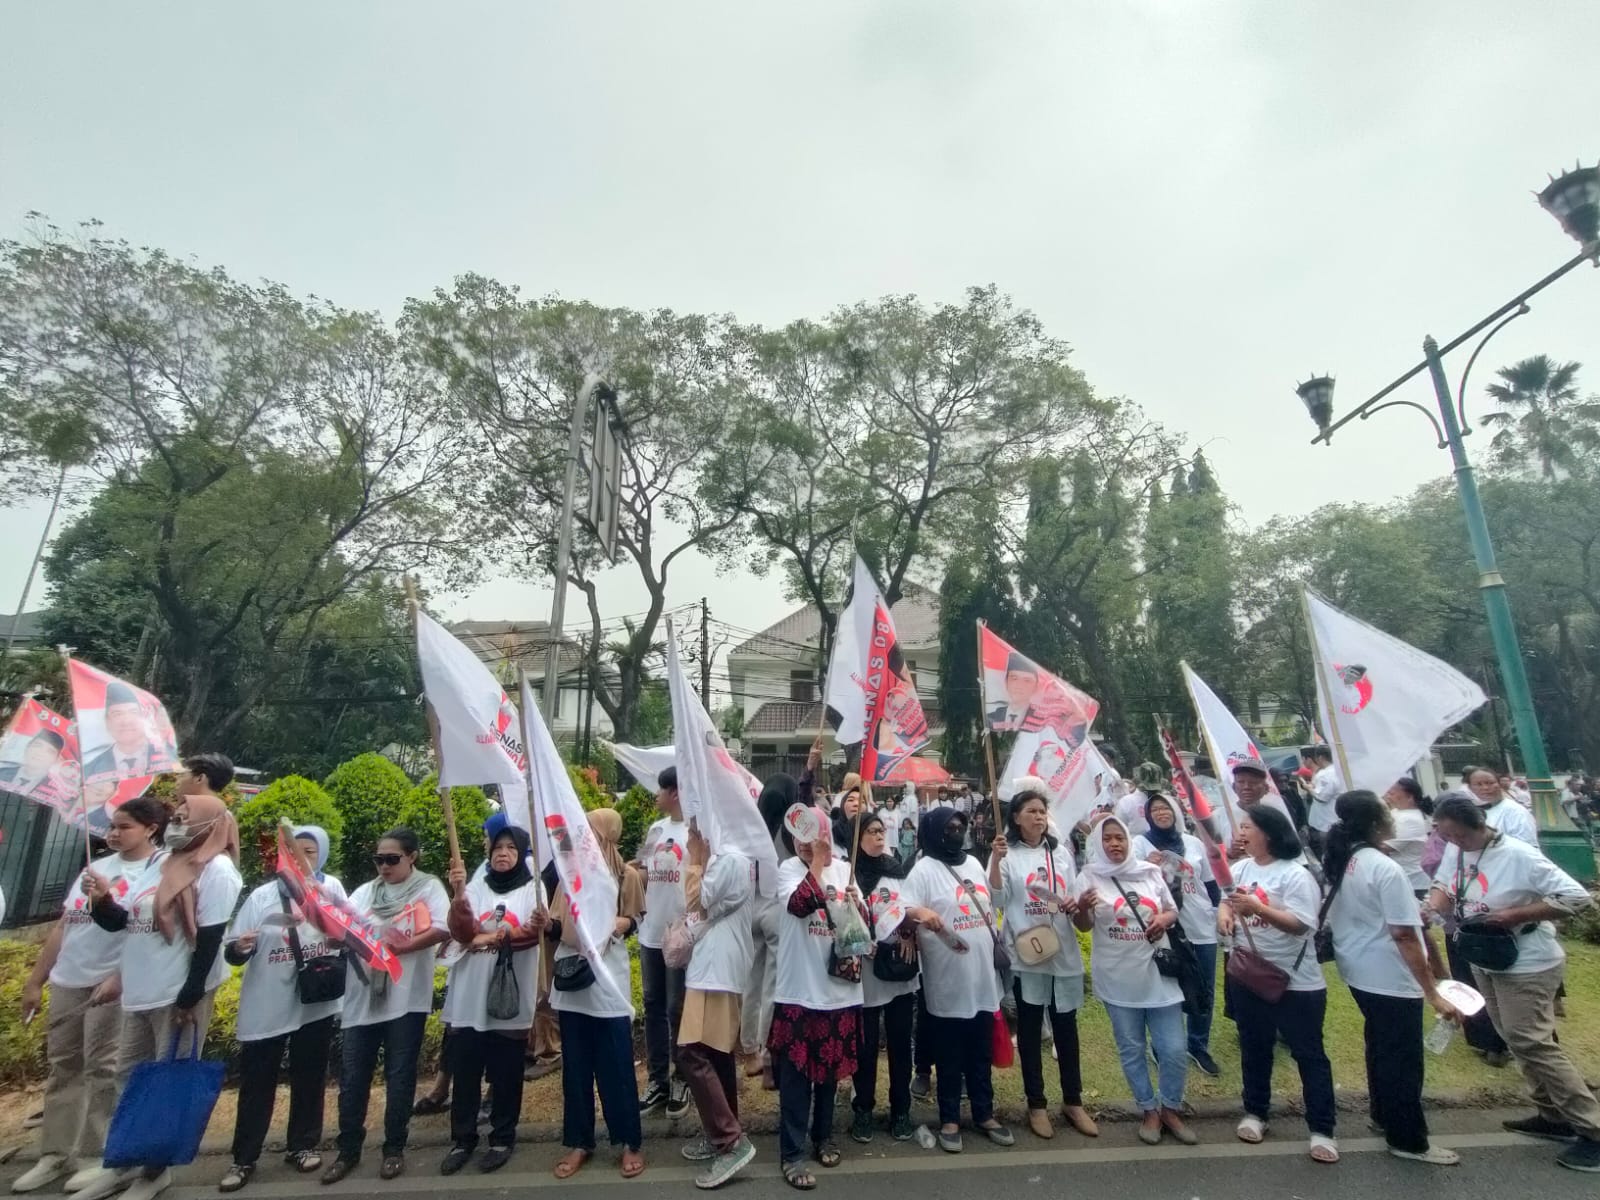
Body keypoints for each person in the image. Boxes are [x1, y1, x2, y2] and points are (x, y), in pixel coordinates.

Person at [83, 757, 243, 1200]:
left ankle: (156, 1172)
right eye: (173, 818)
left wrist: (190, 997)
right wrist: (101, 902)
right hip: (139, 990)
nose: (174, 824)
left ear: (208, 823)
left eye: (183, 818)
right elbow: (125, 924)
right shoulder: (163, 864)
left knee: (166, 1083)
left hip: (176, 994)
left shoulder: (217, 872)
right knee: (129, 1079)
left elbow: (209, 940)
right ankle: (122, 1162)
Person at [1427, 796, 1600, 1171]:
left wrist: (1515, 915)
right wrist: (1432, 906)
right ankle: (1551, 1115)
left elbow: (1577, 896)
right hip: (1485, 956)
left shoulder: (1519, 855)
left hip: (1527, 959)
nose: (1440, 836)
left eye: (1443, 829)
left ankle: (1592, 1127)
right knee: (1512, 1036)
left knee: (1532, 1041)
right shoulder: (1458, 851)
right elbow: (1444, 883)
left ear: (1459, 826)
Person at [13, 798, 167, 1199]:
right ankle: (56, 1153)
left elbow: (141, 934)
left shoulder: (155, 872)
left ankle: (104, 1157)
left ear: (151, 828)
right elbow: (65, 926)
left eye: (125, 827)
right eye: (112, 827)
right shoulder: (94, 867)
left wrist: (118, 975)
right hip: (69, 979)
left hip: (112, 984)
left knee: (104, 1068)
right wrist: (36, 980)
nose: (114, 833)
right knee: (64, 1066)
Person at [1323, 790, 1461, 1165]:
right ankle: (1409, 1139)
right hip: (1389, 975)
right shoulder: (1384, 868)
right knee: (1402, 1058)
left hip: (1360, 970)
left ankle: (1383, 1114)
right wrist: (1432, 990)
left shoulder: (1345, 859)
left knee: (1381, 1048)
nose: (1392, 815)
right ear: (1375, 822)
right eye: (1386, 811)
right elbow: (1404, 933)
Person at [219, 826, 348, 1192]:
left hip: (314, 1002)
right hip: (268, 1003)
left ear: (321, 854)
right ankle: (244, 1158)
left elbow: (347, 933)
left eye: (309, 851)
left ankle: (303, 1144)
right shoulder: (263, 896)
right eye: (293, 852)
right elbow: (233, 949)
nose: (301, 859)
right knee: (258, 1081)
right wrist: (242, 947)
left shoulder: (332, 888)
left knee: (310, 1075)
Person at [322, 828, 449, 1185]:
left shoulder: (428, 889)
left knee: (399, 1075)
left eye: (392, 859)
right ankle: (348, 1149)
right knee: (353, 1077)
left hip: (405, 998)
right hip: (362, 999)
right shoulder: (365, 892)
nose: (384, 866)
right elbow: (343, 925)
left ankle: (394, 1148)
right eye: (379, 859)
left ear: (412, 857)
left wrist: (397, 949)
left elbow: (442, 928)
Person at [1217, 806, 1338, 1164]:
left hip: (1296, 983)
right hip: (1247, 975)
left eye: (1247, 826)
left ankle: (1322, 1129)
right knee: (1255, 1048)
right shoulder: (1240, 868)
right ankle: (1255, 1112)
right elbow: (1225, 902)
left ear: (1269, 832)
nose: (1241, 832)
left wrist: (1258, 908)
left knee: (1309, 1054)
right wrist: (1226, 917)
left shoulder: (1296, 876)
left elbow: (1302, 924)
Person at [1073, 816, 1195, 1147]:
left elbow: (1172, 911)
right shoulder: (1089, 876)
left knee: (1173, 1048)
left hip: (1158, 974)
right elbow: (1083, 925)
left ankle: (1170, 1107)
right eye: (1108, 839)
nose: (1115, 844)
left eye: (1120, 838)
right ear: (1098, 843)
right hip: (1118, 978)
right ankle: (1148, 1111)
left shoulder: (1150, 872)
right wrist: (1083, 906)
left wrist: (1162, 919)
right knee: (1132, 1048)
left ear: (1129, 840)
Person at [904, 806, 1013, 1154]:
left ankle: (984, 1113)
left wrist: (994, 860)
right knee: (950, 1054)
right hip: (947, 980)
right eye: (949, 827)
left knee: (980, 1051)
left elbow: (994, 898)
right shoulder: (923, 869)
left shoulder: (972, 863)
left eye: (960, 826)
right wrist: (921, 913)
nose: (956, 832)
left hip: (981, 977)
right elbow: (903, 910)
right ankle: (949, 1118)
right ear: (934, 830)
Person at [439, 824, 545, 1176]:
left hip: (508, 1000)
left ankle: (502, 1137)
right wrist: (457, 893)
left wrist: (486, 938)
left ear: (522, 853)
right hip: (469, 997)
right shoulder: (476, 885)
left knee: (506, 1072)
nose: (503, 853)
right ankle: (463, 1139)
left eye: (511, 848)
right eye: (498, 847)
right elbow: (462, 931)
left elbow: (532, 932)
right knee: (466, 1072)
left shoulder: (533, 888)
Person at [992, 786, 1095, 1141]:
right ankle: (1036, 1104)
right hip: (1027, 954)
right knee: (1032, 1031)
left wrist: (1076, 904)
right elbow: (997, 898)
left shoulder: (1062, 854)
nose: (1038, 816)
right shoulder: (1008, 856)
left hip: (1063, 950)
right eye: (1031, 811)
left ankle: (1073, 1100)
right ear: (1016, 818)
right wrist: (994, 860)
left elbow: (1074, 895)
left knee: (1067, 1028)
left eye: (1042, 811)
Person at [770, 808, 864, 1188]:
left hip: (840, 991)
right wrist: (818, 866)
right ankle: (792, 1153)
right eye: (799, 835)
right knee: (795, 1078)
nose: (805, 842)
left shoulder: (846, 871)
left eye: (813, 834)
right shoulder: (789, 870)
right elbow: (799, 904)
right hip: (800, 991)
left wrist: (859, 903)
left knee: (829, 1074)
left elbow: (860, 931)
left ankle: (823, 1136)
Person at [550, 809, 646, 1181]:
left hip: (607, 982)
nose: (585, 836)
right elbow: (559, 923)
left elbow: (636, 917)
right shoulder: (569, 873)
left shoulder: (626, 874)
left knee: (617, 1067)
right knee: (575, 1068)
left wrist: (622, 924)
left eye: (592, 829)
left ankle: (629, 1142)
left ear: (607, 833)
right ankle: (580, 1141)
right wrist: (547, 923)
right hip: (572, 981)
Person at [676, 825, 757, 1190]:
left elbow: (696, 900)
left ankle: (730, 1140)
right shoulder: (728, 858)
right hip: (712, 966)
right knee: (715, 1053)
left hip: (717, 970)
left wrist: (696, 857)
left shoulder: (731, 860)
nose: (695, 830)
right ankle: (724, 1133)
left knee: (691, 1053)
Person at [1133, 793, 1221, 1077]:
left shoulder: (1194, 843)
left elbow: (1210, 882)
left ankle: (1198, 1044)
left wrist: (1219, 910)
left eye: (1166, 808)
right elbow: (1130, 881)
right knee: (1167, 988)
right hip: (1164, 925)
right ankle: (1162, 1046)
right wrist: (1148, 865)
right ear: (1147, 815)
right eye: (1155, 809)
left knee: (1204, 987)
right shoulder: (1139, 844)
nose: (1161, 813)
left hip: (1200, 923)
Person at [848, 810, 918, 1145]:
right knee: (864, 1048)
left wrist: (908, 933)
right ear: (857, 839)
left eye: (881, 830)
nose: (879, 836)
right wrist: (863, 942)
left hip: (899, 971)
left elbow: (912, 908)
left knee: (901, 1044)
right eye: (871, 831)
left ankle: (901, 1110)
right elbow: (842, 921)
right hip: (866, 975)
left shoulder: (897, 870)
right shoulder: (847, 875)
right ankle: (862, 1109)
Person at [637, 767, 690, 1120]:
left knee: (677, 1007)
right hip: (650, 932)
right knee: (653, 1005)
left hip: (680, 934)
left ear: (674, 792)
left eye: (660, 789)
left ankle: (681, 1078)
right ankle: (657, 1079)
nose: (656, 795)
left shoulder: (696, 831)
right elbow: (641, 867)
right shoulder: (655, 831)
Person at [81, 682, 175, 783]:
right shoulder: (89, 770)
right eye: (117, 714)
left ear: (143, 718)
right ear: (107, 722)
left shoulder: (167, 758)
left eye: (133, 712)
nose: (126, 721)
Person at [1384, 778, 1435, 896]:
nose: (1387, 796)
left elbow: (1384, 847)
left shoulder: (1409, 819)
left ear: (1409, 797)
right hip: (1404, 878)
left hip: (1414, 882)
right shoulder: (1398, 812)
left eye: (1392, 793)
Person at [1466, 766, 1538, 846]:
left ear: (1499, 784)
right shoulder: (1470, 813)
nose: (1485, 788)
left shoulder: (1515, 811)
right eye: (1478, 784)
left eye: (1490, 783)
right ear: (1470, 788)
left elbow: (1528, 846)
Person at [0, 728, 65, 796]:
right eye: (37, 745)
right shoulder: (2, 772)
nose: (40, 753)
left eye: (50, 751)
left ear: (55, 759)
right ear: (27, 747)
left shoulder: (56, 790)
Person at [1305, 746, 1341, 854]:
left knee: (1327, 854)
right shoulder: (1340, 771)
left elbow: (1322, 797)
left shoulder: (1324, 774)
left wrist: (1309, 788)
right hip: (1336, 818)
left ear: (1320, 757)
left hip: (1325, 823)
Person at [1561, 776, 1595, 847]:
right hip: (1574, 816)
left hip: (1584, 814)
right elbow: (1564, 802)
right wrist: (1575, 798)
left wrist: (1586, 801)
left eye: (1579, 785)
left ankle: (1590, 844)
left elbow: (1582, 802)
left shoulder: (1579, 793)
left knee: (1589, 829)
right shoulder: (1566, 792)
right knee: (1584, 830)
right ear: (1571, 785)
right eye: (1576, 784)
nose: (1578, 786)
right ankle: (1589, 846)